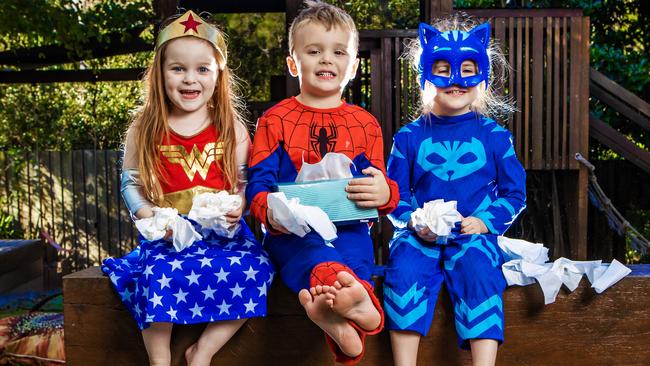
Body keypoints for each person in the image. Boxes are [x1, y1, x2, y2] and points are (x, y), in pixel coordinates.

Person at [101, 10, 273, 366]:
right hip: (168, 230)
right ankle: (159, 359)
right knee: (156, 275)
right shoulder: (144, 127)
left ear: (218, 74)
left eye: (202, 69)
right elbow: (130, 183)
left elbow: (242, 182)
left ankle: (203, 353)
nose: (190, 79)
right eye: (178, 68)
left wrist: (237, 205)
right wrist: (149, 216)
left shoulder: (232, 126)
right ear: (160, 73)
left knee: (257, 268)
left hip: (221, 234)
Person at [245, 1, 399, 364]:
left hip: (350, 228)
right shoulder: (275, 120)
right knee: (314, 258)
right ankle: (363, 314)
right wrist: (269, 209)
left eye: (338, 52)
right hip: (293, 232)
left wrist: (384, 193)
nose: (326, 60)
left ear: (354, 65)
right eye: (314, 51)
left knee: (357, 261)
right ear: (293, 62)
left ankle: (342, 324)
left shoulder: (365, 124)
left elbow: (383, 186)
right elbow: (259, 184)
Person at [383, 15, 526, 366]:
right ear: (425, 77)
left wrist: (485, 221)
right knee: (403, 268)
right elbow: (393, 195)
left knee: (479, 267)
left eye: (467, 68)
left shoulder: (495, 136)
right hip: (420, 234)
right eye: (444, 68)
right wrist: (413, 221)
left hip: (472, 234)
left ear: (483, 79)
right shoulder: (408, 137)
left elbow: (515, 193)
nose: (456, 79)